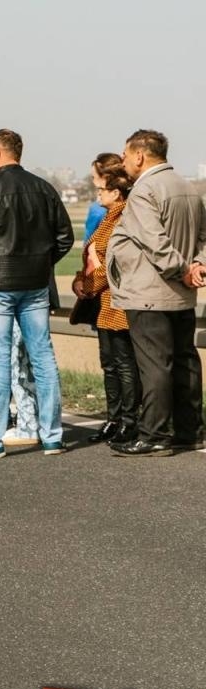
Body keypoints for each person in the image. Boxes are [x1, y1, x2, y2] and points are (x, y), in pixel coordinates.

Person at [0, 129, 74, 459]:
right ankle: (52, 435)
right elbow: (64, 237)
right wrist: (40, 264)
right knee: (44, 358)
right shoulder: (44, 188)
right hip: (34, 286)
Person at [106, 129, 206, 457]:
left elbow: (154, 240)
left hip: (150, 290)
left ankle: (154, 435)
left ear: (139, 155)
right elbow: (203, 237)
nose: (123, 161)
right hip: (182, 292)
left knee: (154, 364)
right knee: (184, 359)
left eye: (125, 155)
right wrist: (197, 266)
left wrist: (181, 269)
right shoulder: (186, 186)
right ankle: (190, 431)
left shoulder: (144, 190)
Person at [73, 161, 137, 444]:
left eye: (101, 190)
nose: (97, 195)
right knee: (110, 364)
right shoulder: (109, 217)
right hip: (104, 302)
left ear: (116, 193)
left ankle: (128, 420)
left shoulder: (123, 218)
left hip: (117, 301)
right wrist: (81, 279)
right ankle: (114, 418)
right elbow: (92, 257)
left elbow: (112, 262)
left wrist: (87, 285)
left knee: (123, 364)